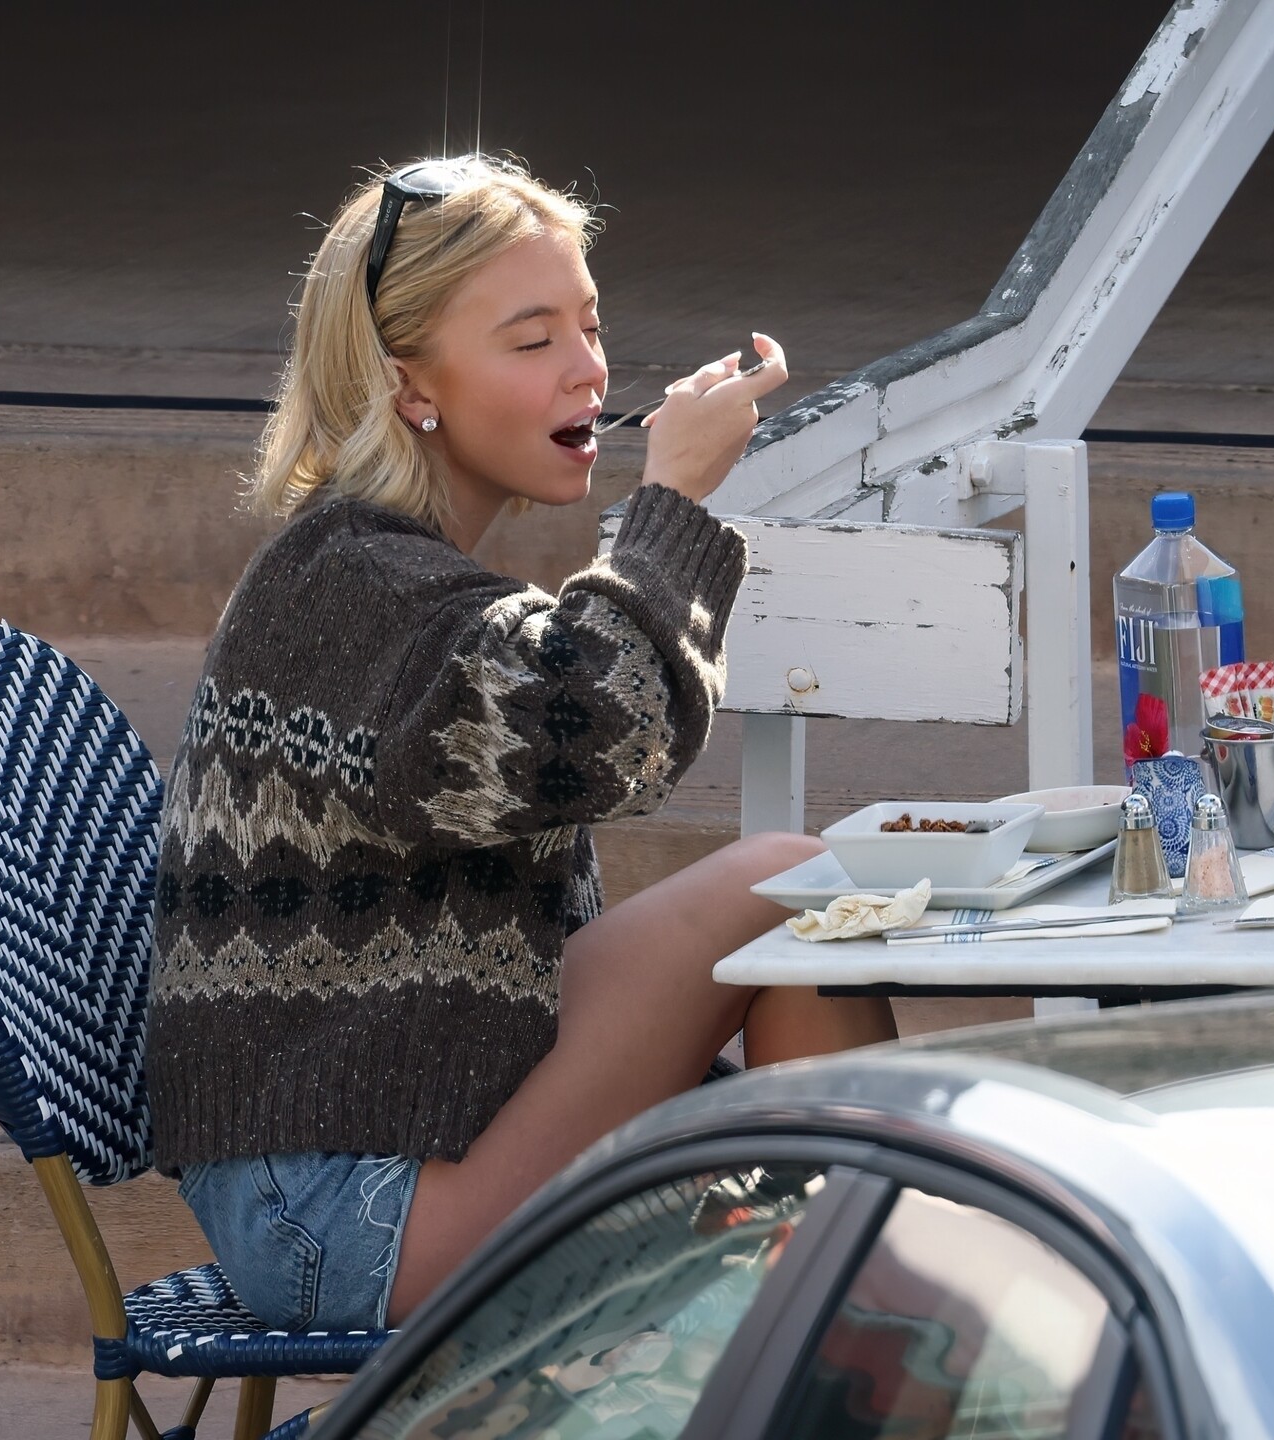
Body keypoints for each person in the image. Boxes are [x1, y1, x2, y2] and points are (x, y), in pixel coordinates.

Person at [146, 151, 897, 1333]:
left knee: (794, 948)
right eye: (534, 339)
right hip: (345, 1212)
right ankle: (856, 1332)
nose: (589, 368)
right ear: (409, 385)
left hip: (412, 1138)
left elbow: (584, 718)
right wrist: (673, 506)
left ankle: (847, 1321)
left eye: (590, 327)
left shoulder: (395, 576)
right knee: (783, 888)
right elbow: (600, 731)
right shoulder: (348, 586)